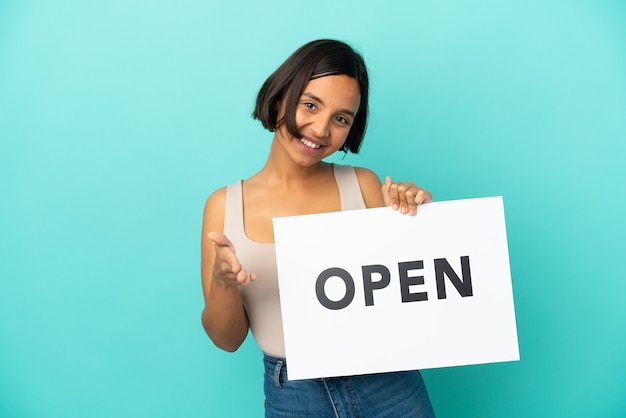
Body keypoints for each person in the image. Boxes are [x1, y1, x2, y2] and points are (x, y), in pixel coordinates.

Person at [201, 39, 436, 417]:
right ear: (280, 98)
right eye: (310, 104)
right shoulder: (224, 207)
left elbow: (414, 295)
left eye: (341, 118)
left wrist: (416, 216)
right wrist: (224, 283)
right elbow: (227, 340)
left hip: (387, 382)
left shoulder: (362, 185)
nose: (320, 129)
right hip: (295, 394)